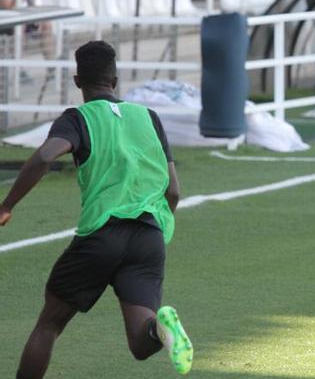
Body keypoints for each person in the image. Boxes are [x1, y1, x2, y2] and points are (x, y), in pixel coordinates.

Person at [0, 41, 193, 378]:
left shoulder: (78, 118)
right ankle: (161, 331)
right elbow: (173, 191)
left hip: (103, 234)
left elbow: (46, 156)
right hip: (149, 235)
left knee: (49, 324)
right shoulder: (148, 117)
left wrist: (7, 205)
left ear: (77, 82)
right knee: (140, 342)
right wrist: (157, 230)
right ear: (115, 81)